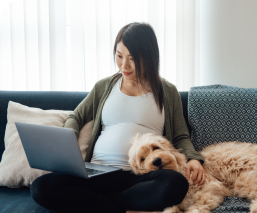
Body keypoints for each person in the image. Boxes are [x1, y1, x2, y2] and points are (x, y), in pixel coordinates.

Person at [30, 22, 209, 213]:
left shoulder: (167, 91)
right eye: (119, 55)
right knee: (41, 187)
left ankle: (98, 204)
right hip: (98, 172)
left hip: (140, 176)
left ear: (149, 57)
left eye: (132, 58)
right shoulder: (104, 87)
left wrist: (193, 159)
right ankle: (118, 206)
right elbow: (77, 116)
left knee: (176, 184)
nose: (124, 65)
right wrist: (67, 139)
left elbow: (181, 135)